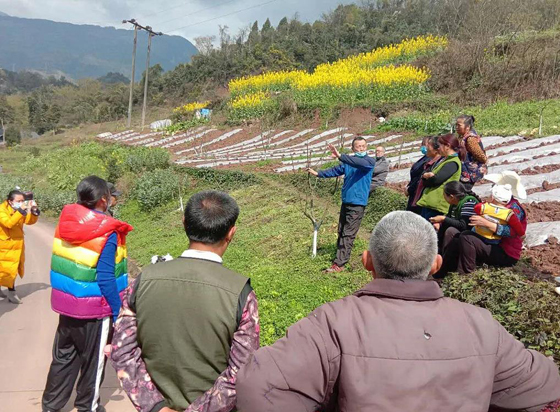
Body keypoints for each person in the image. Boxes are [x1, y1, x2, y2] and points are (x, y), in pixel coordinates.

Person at [236, 211, 560, 412]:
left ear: (367, 263)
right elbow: (546, 384)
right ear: (436, 265)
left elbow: (255, 387)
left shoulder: (333, 323)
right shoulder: (481, 324)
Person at [109, 190, 259, 412]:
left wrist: (156, 406)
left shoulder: (144, 281)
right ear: (231, 232)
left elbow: (122, 350)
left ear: (184, 224)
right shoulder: (240, 294)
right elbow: (242, 373)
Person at [42, 176, 133, 412]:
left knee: (64, 357)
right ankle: (88, 406)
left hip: (68, 306)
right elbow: (105, 277)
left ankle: (51, 405)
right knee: (94, 363)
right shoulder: (108, 230)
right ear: (103, 199)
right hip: (95, 310)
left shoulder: (66, 222)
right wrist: (117, 311)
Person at [307, 138, 376, 273]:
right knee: (341, 230)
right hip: (346, 201)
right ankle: (339, 256)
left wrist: (340, 156)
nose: (361, 149)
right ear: (353, 149)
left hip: (358, 203)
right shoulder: (348, 162)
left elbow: (358, 162)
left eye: (363, 146)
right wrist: (318, 173)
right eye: (358, 147)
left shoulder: (368, 162)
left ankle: (339, 264)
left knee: (348, 234)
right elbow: (335, 170)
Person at [436, 179, 527, 278]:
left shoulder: (514, 209)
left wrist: (487, 224)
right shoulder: (496, 204)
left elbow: (513, 233)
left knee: (467, 238)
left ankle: (465, 275)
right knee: (455, 237)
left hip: (505, 252)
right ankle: (442, 273)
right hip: (491, 242)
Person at [0, 189, 40, 304]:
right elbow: (9, 223)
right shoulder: (1, 210)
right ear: (10, 201)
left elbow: (28, 221)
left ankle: (9, 291)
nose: (22, 203)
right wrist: (21, 210)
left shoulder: (18, 209)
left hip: (17, 244)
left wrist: (33, 211)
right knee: (8, 269)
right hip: (4, 245)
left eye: (23, 200)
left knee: (10, 268)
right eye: (19, 201)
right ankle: (12, 293)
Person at [416, 133, 465, 221]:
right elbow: (428, 175)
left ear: (447, 146)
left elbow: (436, 180)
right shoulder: (445, 160)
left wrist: (426, 177)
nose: (438, 148)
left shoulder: (453, 163)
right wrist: (426, 176)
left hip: (437, 205)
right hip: (430, 203)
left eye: (440, 145)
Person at [429, 181, 481, 253]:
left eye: (444, 195)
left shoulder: (469, 202)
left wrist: (443, 219)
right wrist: (439, 222)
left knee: (451, 231)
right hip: (461, 232)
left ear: (451, 197)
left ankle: (444, 258)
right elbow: (450, 218)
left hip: (470, 234)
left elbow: (464, 225)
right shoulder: (454, 203)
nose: (443, 197)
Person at [407, 136, 440, 213]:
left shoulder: (431, 161)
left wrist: (410, 189)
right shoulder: (425, 158)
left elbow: (420, 177)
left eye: (426, 145)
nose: (424, 147)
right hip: (414, 192)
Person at [456, 115, 487, 189]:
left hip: (471, 172)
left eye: (459, 125)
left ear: (467, 127)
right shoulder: (462, 136)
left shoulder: (470, 139)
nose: (456, 127)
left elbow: (481, 157)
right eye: (456, 125)